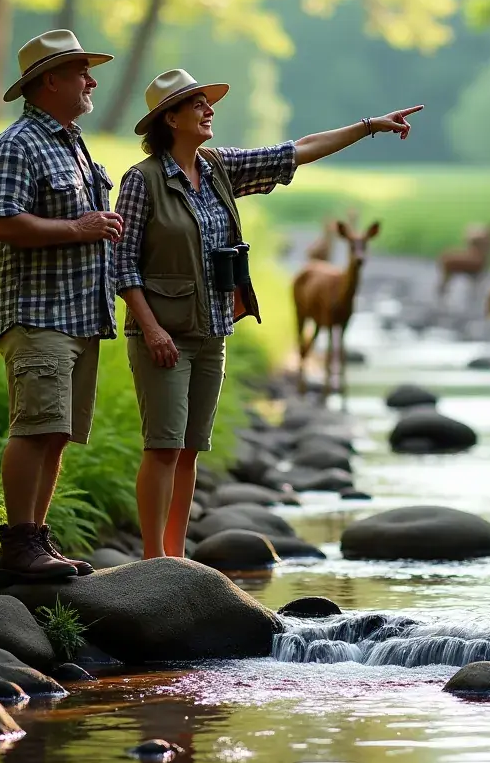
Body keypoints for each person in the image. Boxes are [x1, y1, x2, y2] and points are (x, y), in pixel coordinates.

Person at [114, 67, 423, 559]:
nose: (209, 109)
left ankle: (175, 556)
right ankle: (153, 560)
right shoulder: (142, 181)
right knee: (163, 446)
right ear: (170, 118)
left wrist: (368, 126)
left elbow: (298, 149)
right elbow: (122, 262)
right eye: (197, 104)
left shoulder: (217, 169)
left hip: (212, 331)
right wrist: (150, 328)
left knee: (191, 449)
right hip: (162, 336)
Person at [0, 29, 124, 587]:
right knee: (35, 427)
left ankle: (36, 541)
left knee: (57, 431)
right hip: (37, 312)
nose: (92, 81)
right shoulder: (16, 144)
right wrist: (78, 226)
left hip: (79, 315)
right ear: (50, 81)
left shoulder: (71, 140)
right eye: (83, 72)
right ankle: (18, 546)